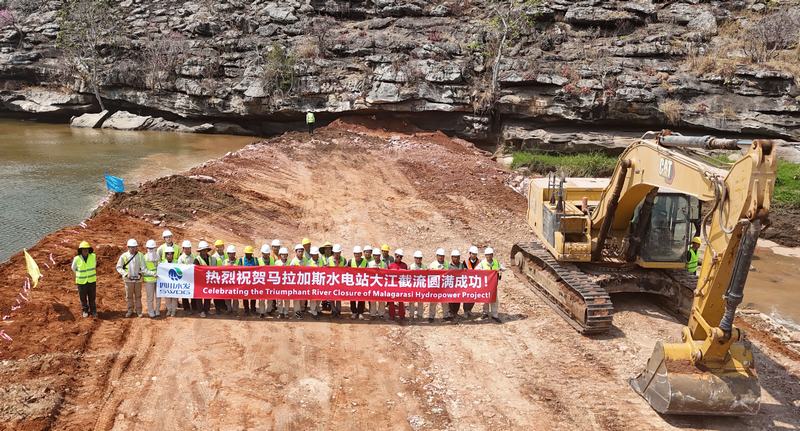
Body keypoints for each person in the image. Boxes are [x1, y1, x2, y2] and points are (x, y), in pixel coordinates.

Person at [116, 239, 150, 318]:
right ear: (128, 247)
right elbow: (118, 267)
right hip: (128, 280)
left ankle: (139, 311)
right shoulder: (124, 256)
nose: (133, 249)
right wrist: (125, 274)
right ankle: (130, 310)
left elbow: (143, 268)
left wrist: (141, 273)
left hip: (138, 280)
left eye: (134, 247)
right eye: (131, 247)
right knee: (129, 296)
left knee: (138, 296)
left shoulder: (140, 255)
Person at [71, 241, 97, 318]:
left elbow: (94, 265)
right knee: (83, 298)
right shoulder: (76, 259)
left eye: (87, 249)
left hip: (92, 281)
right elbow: (73, 268)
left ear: (89, 250)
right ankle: (85, 310)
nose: (85, 251)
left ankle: (93, 311)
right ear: (81, 250)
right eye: (83, 249)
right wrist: (79, 275)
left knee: (92, 297)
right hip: (81, 282)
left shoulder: (93, 256)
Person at [479, 247, 501, 323]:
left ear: (492, 255)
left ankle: (494, 315)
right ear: (485, 255)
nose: (488, 257)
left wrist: (499, 269)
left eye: (490, 255)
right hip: (485, 285)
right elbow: (476, 270)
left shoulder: (496, 262)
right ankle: (485, 313)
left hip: (494, 285)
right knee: (485, 299)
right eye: (487, 255)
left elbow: (503, 268)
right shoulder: (482, 262)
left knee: (494, 299)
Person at [194, 241, 215, 317]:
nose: (204, 252)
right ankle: (201, 311)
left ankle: (207, 309)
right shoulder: (197, 259)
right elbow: (195, 270)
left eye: (205, 250)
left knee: (208, 295)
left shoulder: (211, 258)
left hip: (208, 280)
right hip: (199, 281)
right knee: (199, 296)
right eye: (202, 250)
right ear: (200, 251)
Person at [427, 248, 447, 323]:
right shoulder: (433, 264)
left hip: (444, 286)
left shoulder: (447, 263)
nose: (441, 257)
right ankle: (431, 316)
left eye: (442, 256)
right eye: (439, 256)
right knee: (433, 302)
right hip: (435, 286)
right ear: (437, 256)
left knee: (445, 302)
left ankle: (446, 315)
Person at [237, 246, 259, 316]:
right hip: (245, 281)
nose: (248, 255)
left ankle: (253, 309)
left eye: (250, 254)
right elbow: (238, 270)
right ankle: (246, 310)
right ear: (245, 253)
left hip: (253, 281)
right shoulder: (241, 260)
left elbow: (259, 269)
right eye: (247, 253)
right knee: (245, 296)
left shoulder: (255, 260)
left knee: (253, 296)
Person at [387, 249, 407, 321]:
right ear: (395, 255)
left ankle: (402, 315)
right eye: (398, 256)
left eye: (401, 257)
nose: (399, 258)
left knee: (401, 301)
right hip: (393, 286)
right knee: (391, 301)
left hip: (401, 286)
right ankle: (392, 315)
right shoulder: (390, 266)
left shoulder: (404, 265)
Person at [349, 246, 368, 319]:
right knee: (352, 298)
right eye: (355, 254)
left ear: (361, 254)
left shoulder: (365, 262)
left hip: (362, 283)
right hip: (352, 283)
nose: (357, 255)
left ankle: (360, 312)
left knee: (361, 298)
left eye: (358, 253)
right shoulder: (350, 261)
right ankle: (354, 312)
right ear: (354, 254)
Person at [143, 239, 161, 318]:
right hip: (149, 280)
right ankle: (151, 311)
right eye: (149, 248)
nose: (151, 250)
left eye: (152, 248)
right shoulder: (144, 257)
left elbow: (160, 265)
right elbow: (143, 269)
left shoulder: (157, 256)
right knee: (150, 297)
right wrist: (152, 273)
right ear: (147, 248)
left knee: (158, 296)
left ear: (155, 248)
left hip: (158, 279)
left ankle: (157, 310)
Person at [290, 244, 308, 318]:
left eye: (302, 251)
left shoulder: (305, 260)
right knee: (297, 298)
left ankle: (301, 310)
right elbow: (290, 273)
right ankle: (297, 312)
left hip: (303, 283)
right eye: (299, 251)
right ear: (296, 252)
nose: (300, 253)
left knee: (303, 298)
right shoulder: (293, 262)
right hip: (296, 284)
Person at [446, 249, 465, 320]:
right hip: (451, 286)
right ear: (452, 257)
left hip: (459, 286)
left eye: (457, 257)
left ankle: (455, 313)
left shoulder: (461, 265)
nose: (456, 258)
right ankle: (451, 314)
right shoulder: (449, 266)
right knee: (451, 301)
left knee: (458, 300)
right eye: (454, 257)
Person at [327, 244, 346, 317]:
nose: (337, 255)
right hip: (331, 281)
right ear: (333, 252)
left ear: (340, 253)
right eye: (335, 253)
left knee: (338, 298)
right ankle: (333, 311)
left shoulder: (343, 260)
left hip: (340, 282)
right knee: (332, 298)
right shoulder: (329, 259)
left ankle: (338, 311)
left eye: (338, 253)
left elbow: (346, 270)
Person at [462, 246, 480, 318]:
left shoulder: (479, 262)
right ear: (470, 253)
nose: (474, 255)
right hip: (467, 283)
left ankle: (470, 310)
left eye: (475, 254)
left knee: (473, 297)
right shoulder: (465, 262)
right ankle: (465, 311)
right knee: (466, 297)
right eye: (473, 254)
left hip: (475, 282)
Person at [408, 250, 427, 319]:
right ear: (414, 258)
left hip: (421, 287)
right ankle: (411, 315)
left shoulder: (424, 267)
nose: (418, 259)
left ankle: (420, 315)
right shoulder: (411, 266)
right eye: (417, 258)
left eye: (420, 258)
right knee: (412, 302)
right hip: (413, 287)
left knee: (420, 302)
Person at [177, 240, 194, 313]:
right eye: (185, 248)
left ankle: (194, 306)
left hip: (192, 278)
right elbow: (179, 269)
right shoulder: (181, 258)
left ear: (190, 248)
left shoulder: (194, 256)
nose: (187, 250)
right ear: (183, 249)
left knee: (193, 292)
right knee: (185, 293)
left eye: (188, 248)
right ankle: (186, 308)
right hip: (184, 278)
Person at [368, 249, 386, 319]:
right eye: (375, 255)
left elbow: (387, 274)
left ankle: (381, 313)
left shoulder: (383, 264)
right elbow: (367, 273)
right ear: (373, 256)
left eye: (378, 255)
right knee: (373, 299)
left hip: (381, 284)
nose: (376, 257)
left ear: (380, 256)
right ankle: (373, 314)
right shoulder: (370, 264)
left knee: (381, 300)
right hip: (373, 284)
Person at [161, 249, 178, 317]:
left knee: (174, 297)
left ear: (173, 255)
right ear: (166, 255)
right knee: (167, 297)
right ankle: (169, 309)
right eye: (168, 254)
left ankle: (173, 310)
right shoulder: (163, 263)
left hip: (175, 283)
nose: (170, 256)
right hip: (166, 283)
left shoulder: (177, 262)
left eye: (171, 254)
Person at [275, 247, 290, 318]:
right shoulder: (277, 263)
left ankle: (286, 312)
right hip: (279, 284)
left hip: (287, 283)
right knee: (279, 300)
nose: (284, 256)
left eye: (285, 254)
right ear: (280, 255)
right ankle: (280, 312)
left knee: (287, 299)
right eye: (282, 254)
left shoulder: (290, 262)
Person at [306, 246, 321, 318]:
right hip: (313, 283)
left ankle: (318, 309)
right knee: (313, 299)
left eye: (317, 254)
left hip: (320, 282)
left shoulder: (321, 260)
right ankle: (313, 312)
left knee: (319, 298)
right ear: (312, 255)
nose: (316, 256)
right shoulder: (309, 263)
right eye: (315, 255)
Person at [223, 245, 238, 313]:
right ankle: (229, 309)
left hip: (235, 282)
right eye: (230, 253)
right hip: (227, 282)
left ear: (235, 254)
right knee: (227, 297)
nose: (231, 255)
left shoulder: (238, 261)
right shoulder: (225, 262)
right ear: (227, 254)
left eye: (233, 253)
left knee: (235, 297)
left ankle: (235, 310)